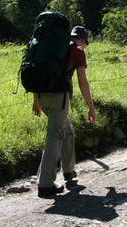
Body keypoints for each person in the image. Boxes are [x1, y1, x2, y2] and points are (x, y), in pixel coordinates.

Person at [32, 25, 96, 198]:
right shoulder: (77, 50)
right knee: (54, 136)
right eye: (85, 43)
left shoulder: (51, 46)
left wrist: (35, 101)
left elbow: (42, 72)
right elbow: (83, 82)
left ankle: (69, 172)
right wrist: (90, 106)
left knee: (67, 131)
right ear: (82, 40)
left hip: (40, 95)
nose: (84, 46)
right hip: (58, 98)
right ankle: (45, 185)